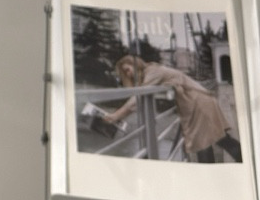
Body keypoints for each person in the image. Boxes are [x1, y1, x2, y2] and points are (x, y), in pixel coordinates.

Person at [101, 54, 244, 163]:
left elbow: (137, 99)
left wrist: (116, 115)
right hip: (199, 101)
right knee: (214, 141)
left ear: (135, 64)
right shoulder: (153, 70)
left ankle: (234, 166)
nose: (128, 74)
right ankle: (240, 162)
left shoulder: (152, 72)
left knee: (207, 143)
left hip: (197, 103)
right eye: (125, 73)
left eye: (127, 70)